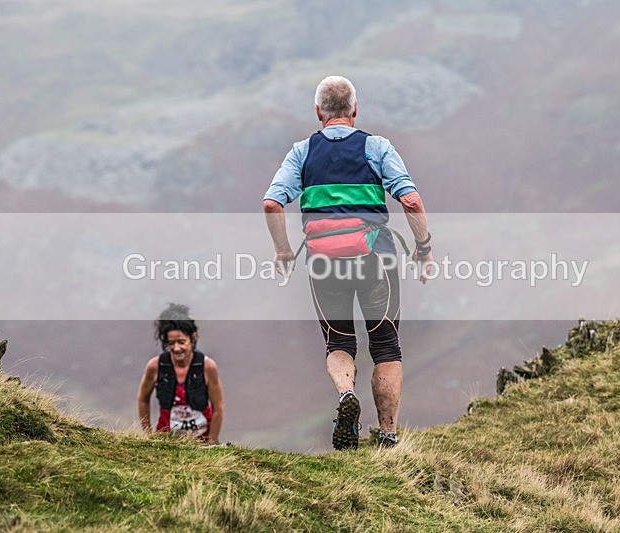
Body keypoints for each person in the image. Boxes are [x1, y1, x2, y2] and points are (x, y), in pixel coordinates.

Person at [263, 75, 434, 450]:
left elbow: (273, 203)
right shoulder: (377, 147)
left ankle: (346, 395)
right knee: (386, 346)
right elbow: (411, 201)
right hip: (376, 258)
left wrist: (283, 250)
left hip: (324, 262)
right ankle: (387, 435)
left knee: (338, 341)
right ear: (354, 109)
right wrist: (423, 247)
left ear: (318, 112)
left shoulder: (302, 152)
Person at [137, 304, 224, 443]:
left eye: (181, 342)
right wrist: (148, 436)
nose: (176, 348)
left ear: (193, 338)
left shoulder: (207, 367)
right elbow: (142, 399)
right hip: (165, 441)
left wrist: (212, 441)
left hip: (201, 441)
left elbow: (218, 408)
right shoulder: (155, 366)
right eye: (171, 343)